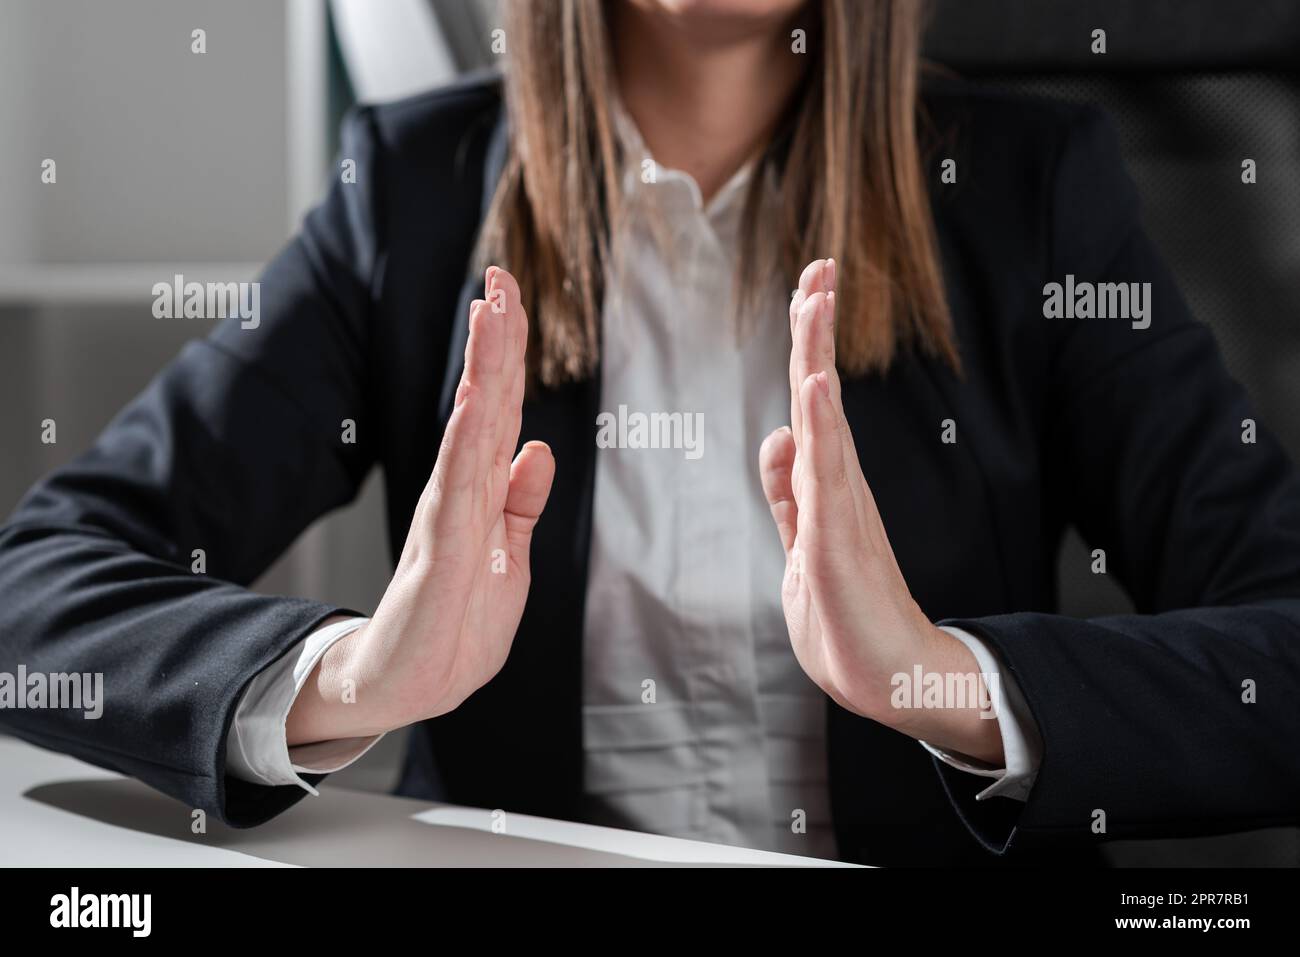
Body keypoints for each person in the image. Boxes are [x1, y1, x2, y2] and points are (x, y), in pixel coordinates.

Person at [2, 0, 1298, 867]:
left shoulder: (1035, 191)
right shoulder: (406, 192)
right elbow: (35, 588)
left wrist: (943, 679)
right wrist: (356, 677)